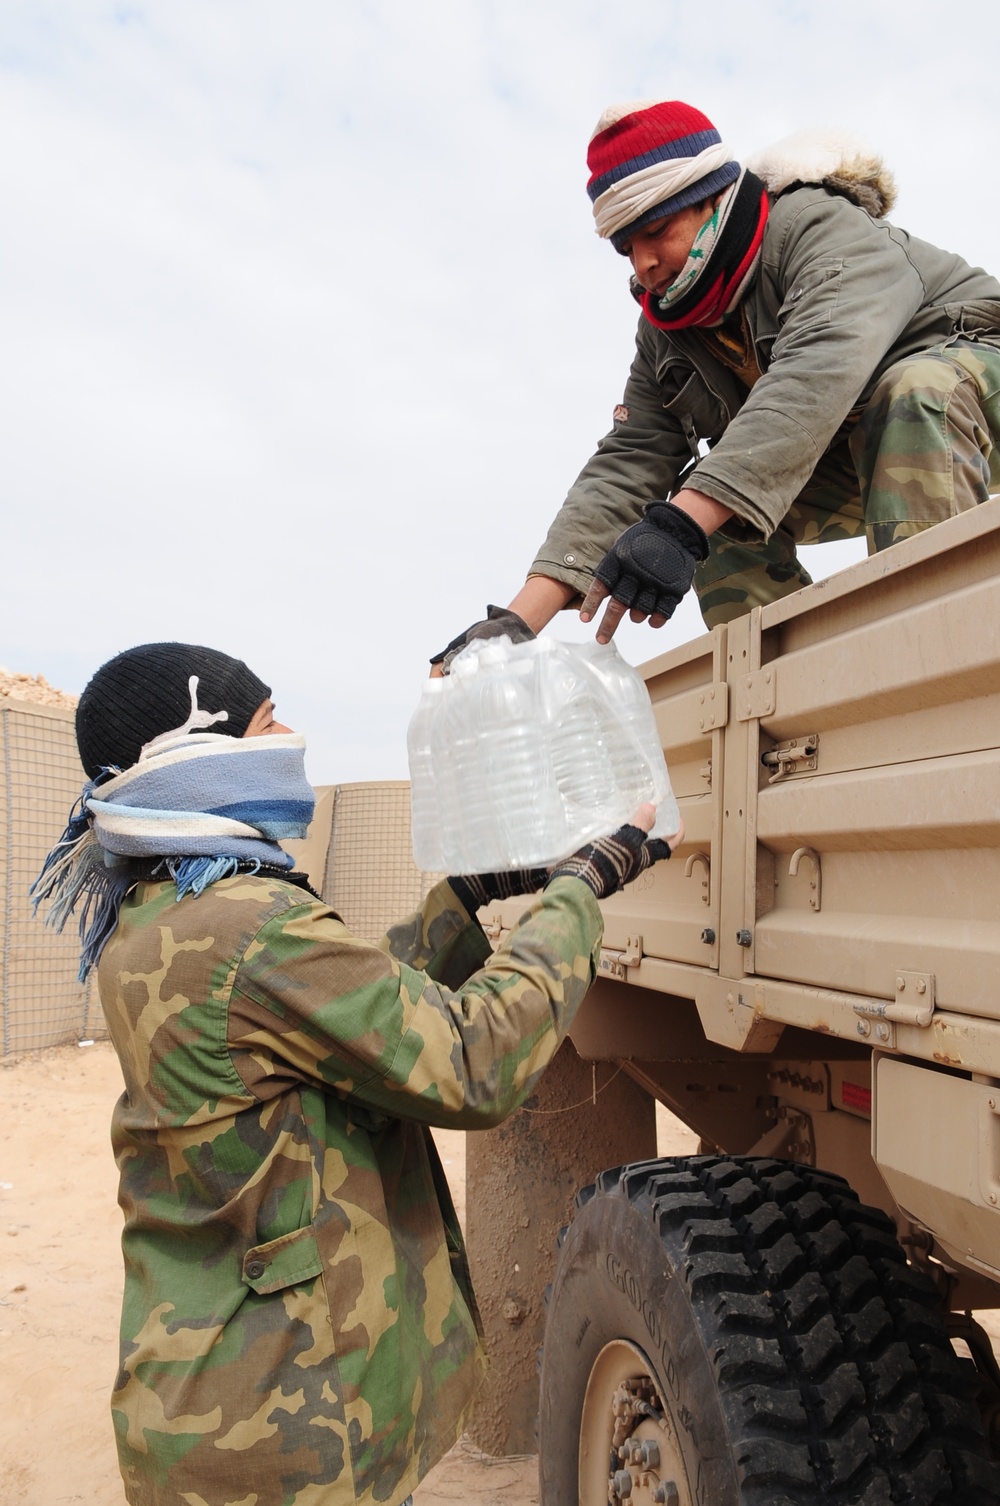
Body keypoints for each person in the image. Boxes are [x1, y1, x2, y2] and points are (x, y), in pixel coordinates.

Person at [32, 640, 681, 1506]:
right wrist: (578, 891)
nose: (292, 735)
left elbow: (337, 1010)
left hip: (227, 1400)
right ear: (196, 751)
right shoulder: (245, 924)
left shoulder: (173, 912)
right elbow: (471, 1063)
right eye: (268, 720)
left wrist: (465, 897)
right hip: (288, 1429)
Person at [434, 99, 1000, 662]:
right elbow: (629, 461)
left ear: (712, 199)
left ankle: (940, 665)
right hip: (871, 444)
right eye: (627, 248)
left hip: (969, 396)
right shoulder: (667, 330)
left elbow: (813, 379)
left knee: (914, 391)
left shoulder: (815, 226)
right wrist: (515, 623)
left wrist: (682, 521)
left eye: (657, 229)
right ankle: (809, 700)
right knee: (712, 516)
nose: (644, 264)